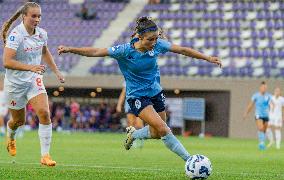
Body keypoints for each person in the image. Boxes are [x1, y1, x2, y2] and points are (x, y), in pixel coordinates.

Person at [58, 16, 222, 162]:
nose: (154, 43)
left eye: (156, 39)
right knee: (164, 129)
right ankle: (190, 160)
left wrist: (207, 58)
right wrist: (71, 49)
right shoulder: (124, 51)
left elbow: (183, 50)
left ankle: (134, 134)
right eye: (150, 39)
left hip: (156, 92)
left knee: (157, 133)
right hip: (137, 97)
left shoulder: (157, 46)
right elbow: (96, 51)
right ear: (140, 37)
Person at [1, 2, 65, 166]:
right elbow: (7, 62)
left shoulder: (42, 34)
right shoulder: (16, 35)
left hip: (33, 80)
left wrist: (56, 71)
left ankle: (45, 155)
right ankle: (11, 136)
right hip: (15, 84)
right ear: (24, 16)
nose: (37, 19)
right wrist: (31, 67)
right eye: (33, 16)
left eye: (39, 16)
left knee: (44, 112)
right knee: (18, 122)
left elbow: (44, 52)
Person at [243, 81, 273, 150]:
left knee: (264, 130)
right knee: (260, 128)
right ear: (260, 88)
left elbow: (273, 103)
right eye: (263, 87)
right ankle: (261, 144)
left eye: (265, 87)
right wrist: (246, 113)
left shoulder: (269, 96)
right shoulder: (256, 95)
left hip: (266, 115)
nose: (264, 88)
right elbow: (250, 105)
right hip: (258, 114)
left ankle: (262, 142)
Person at [116, 81, 144, 148]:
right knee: (131, 124)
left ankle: (140, 140)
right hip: (129, 104)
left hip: (140, 104)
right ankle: (131, 141)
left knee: (139, 124)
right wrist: (119, 105)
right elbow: (123, 94)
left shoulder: (142, 78)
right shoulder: (127, 80)